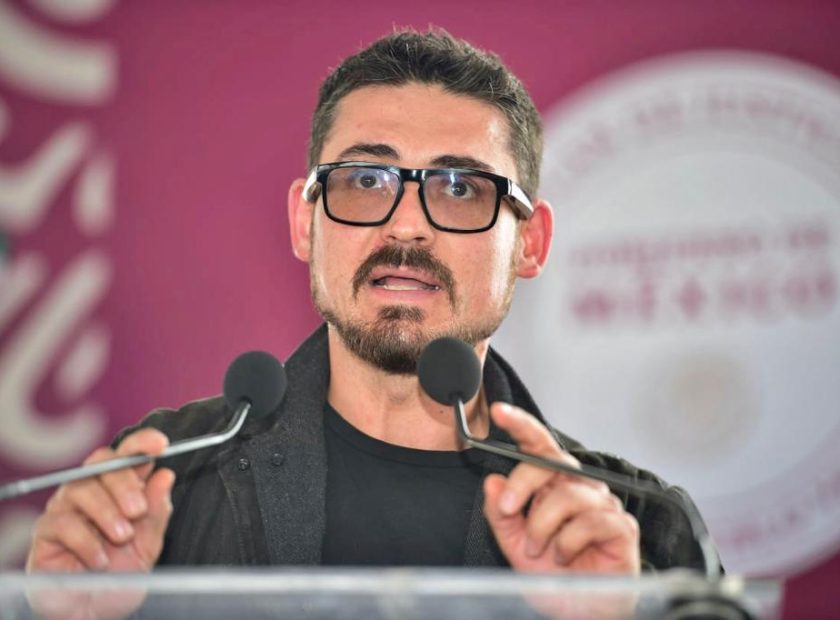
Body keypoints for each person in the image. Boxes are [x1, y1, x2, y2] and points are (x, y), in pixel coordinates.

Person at [26, 29, 710, 579]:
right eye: (365, 180)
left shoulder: (639, 527)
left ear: (531, 243)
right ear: (304, 223)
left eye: (460, 189)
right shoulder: (158, 488)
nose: (406, 227)